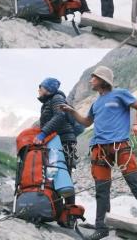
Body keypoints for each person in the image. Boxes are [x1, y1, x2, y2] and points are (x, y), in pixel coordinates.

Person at [60, 66, 137, 240]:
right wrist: (72, 111)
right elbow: (87, 122)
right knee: (101, 190)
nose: (90, 80)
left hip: (120, 146)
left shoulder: (120, 94)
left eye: (93, 77)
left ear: (103, 80)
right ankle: (101, 227)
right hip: (99, 148)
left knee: (135, 182)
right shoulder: (96, 103)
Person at [33, 78, 80, 218]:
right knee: (54, 176)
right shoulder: (50, 101)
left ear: (48, 89)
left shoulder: (57, 98)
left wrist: (42, 134)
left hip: (63, 142)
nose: (39, 90)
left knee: (63, 177)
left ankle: (70, 215)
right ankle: (59, 212)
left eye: (40, 88)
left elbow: (60, 116)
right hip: (57, 142)